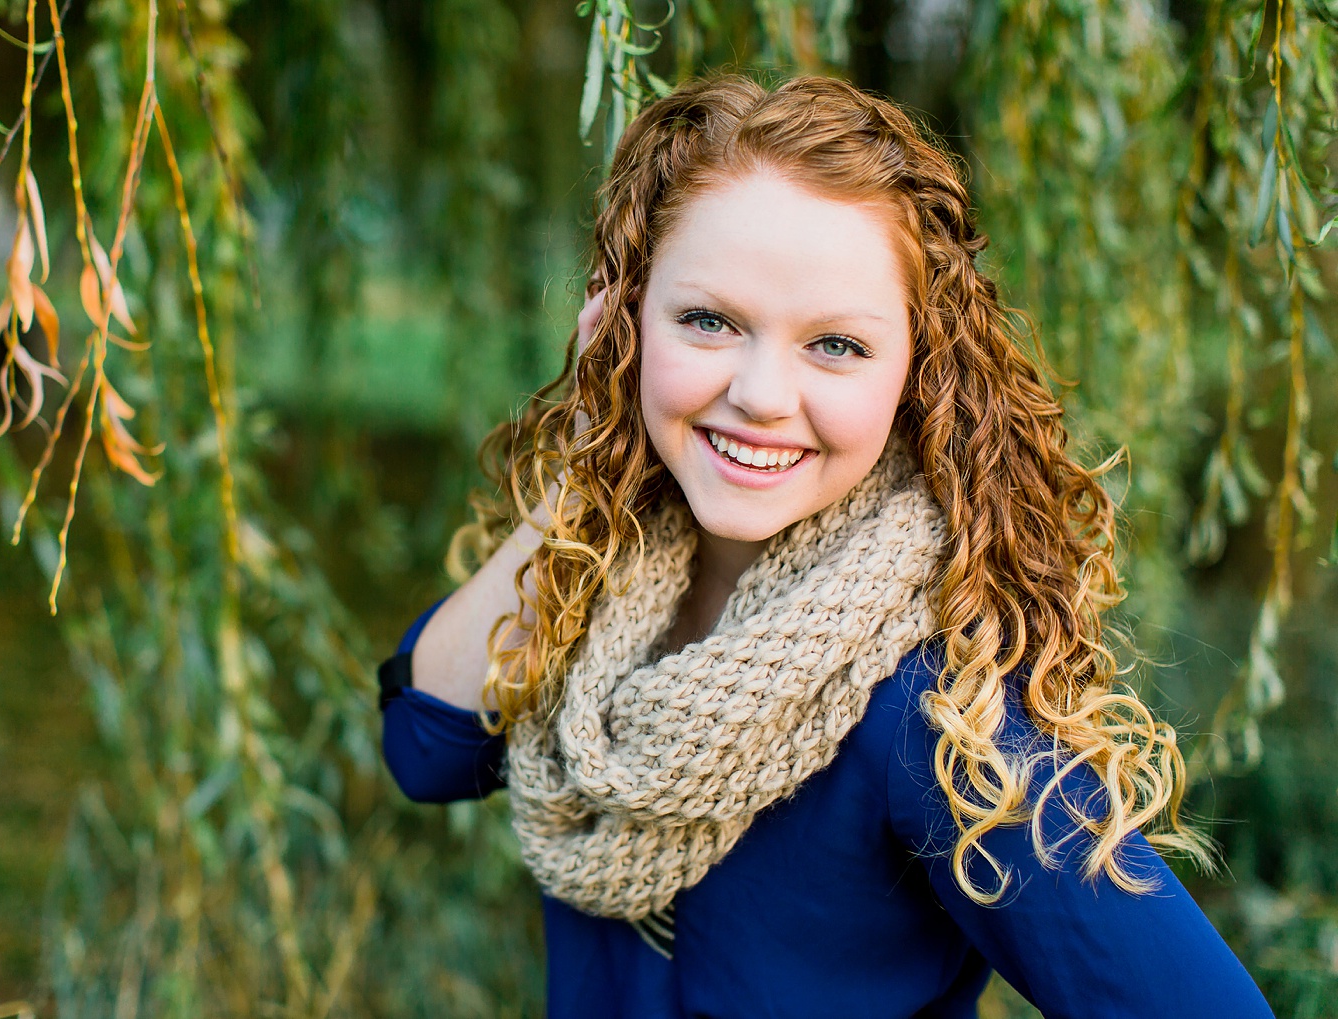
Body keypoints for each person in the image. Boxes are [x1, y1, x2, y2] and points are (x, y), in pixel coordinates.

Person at [377, 74, 1275, 1018]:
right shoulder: (597, 583)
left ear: (914, 375)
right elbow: (425, 748)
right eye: (708, 321)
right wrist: (590, 457)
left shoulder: (933, 707)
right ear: (628, 324)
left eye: (837, 345)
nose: (763, 392)